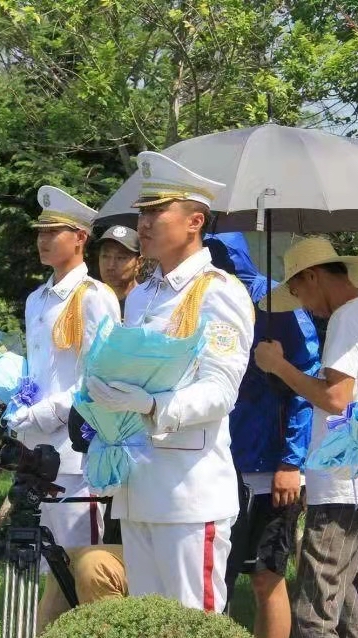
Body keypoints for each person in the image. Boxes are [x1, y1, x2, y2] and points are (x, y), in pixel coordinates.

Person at [86, 151, 254, 612]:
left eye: (158, 211)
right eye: (143, 211)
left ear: (194, 221)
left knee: (193, 636)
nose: (145, 221)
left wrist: (152, 405)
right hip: (139, 485)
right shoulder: (141, 294)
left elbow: (222, 389)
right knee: (149, 634)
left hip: (189, 491)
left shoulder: (218, 290)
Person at [255, 236, 358, 638]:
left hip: (341, 482)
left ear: (313, 277)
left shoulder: (349, 320)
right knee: (349, 610)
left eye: (300, 293)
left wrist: (279, 365)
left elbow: (336, 400)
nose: (304, 307)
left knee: (313, 616)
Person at [4, 185, 121, 631]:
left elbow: (97, 377)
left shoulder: (94, 296)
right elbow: (39, 371)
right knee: (37, 561)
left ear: (80, 238)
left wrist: (45, 412)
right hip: (36, 450)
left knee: (75, 565)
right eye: (41, 231)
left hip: (75, 453)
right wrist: (18, 402)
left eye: (56, 231)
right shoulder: (38, 299)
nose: (45, 239)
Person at [204, 231, 320, 638]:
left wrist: (291, 461)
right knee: (217, 572)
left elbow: (306, 384)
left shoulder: (275, 301)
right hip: (214, 460)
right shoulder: (202, 297)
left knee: (265, 574)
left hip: (269, 465)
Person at [96, 225, 142, 309]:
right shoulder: (89, 302)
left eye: (121, 258)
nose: (110, 266)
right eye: (105, 256)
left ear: (138, 263)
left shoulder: (149, 304)